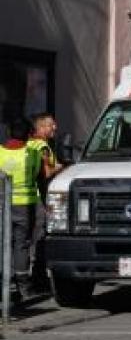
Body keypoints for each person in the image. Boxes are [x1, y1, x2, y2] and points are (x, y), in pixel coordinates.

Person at [0, 118, 42, 303]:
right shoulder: (32, 154)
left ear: (9, 132)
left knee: (2, 244)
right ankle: (24, 287)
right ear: (28, 135)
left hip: (2, 204)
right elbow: (38, 176)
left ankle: (3, 285)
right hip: (24, 206)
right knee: (22, 244)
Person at [28, 112, 63, 292]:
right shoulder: (42, 146)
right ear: (40, 127)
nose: (54, 127)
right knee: (40, 238)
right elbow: (46, 173)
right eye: (50, 125)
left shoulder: (29, 143)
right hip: (39, 198)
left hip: (26, 198)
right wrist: (60, 167)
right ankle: (38, 278)